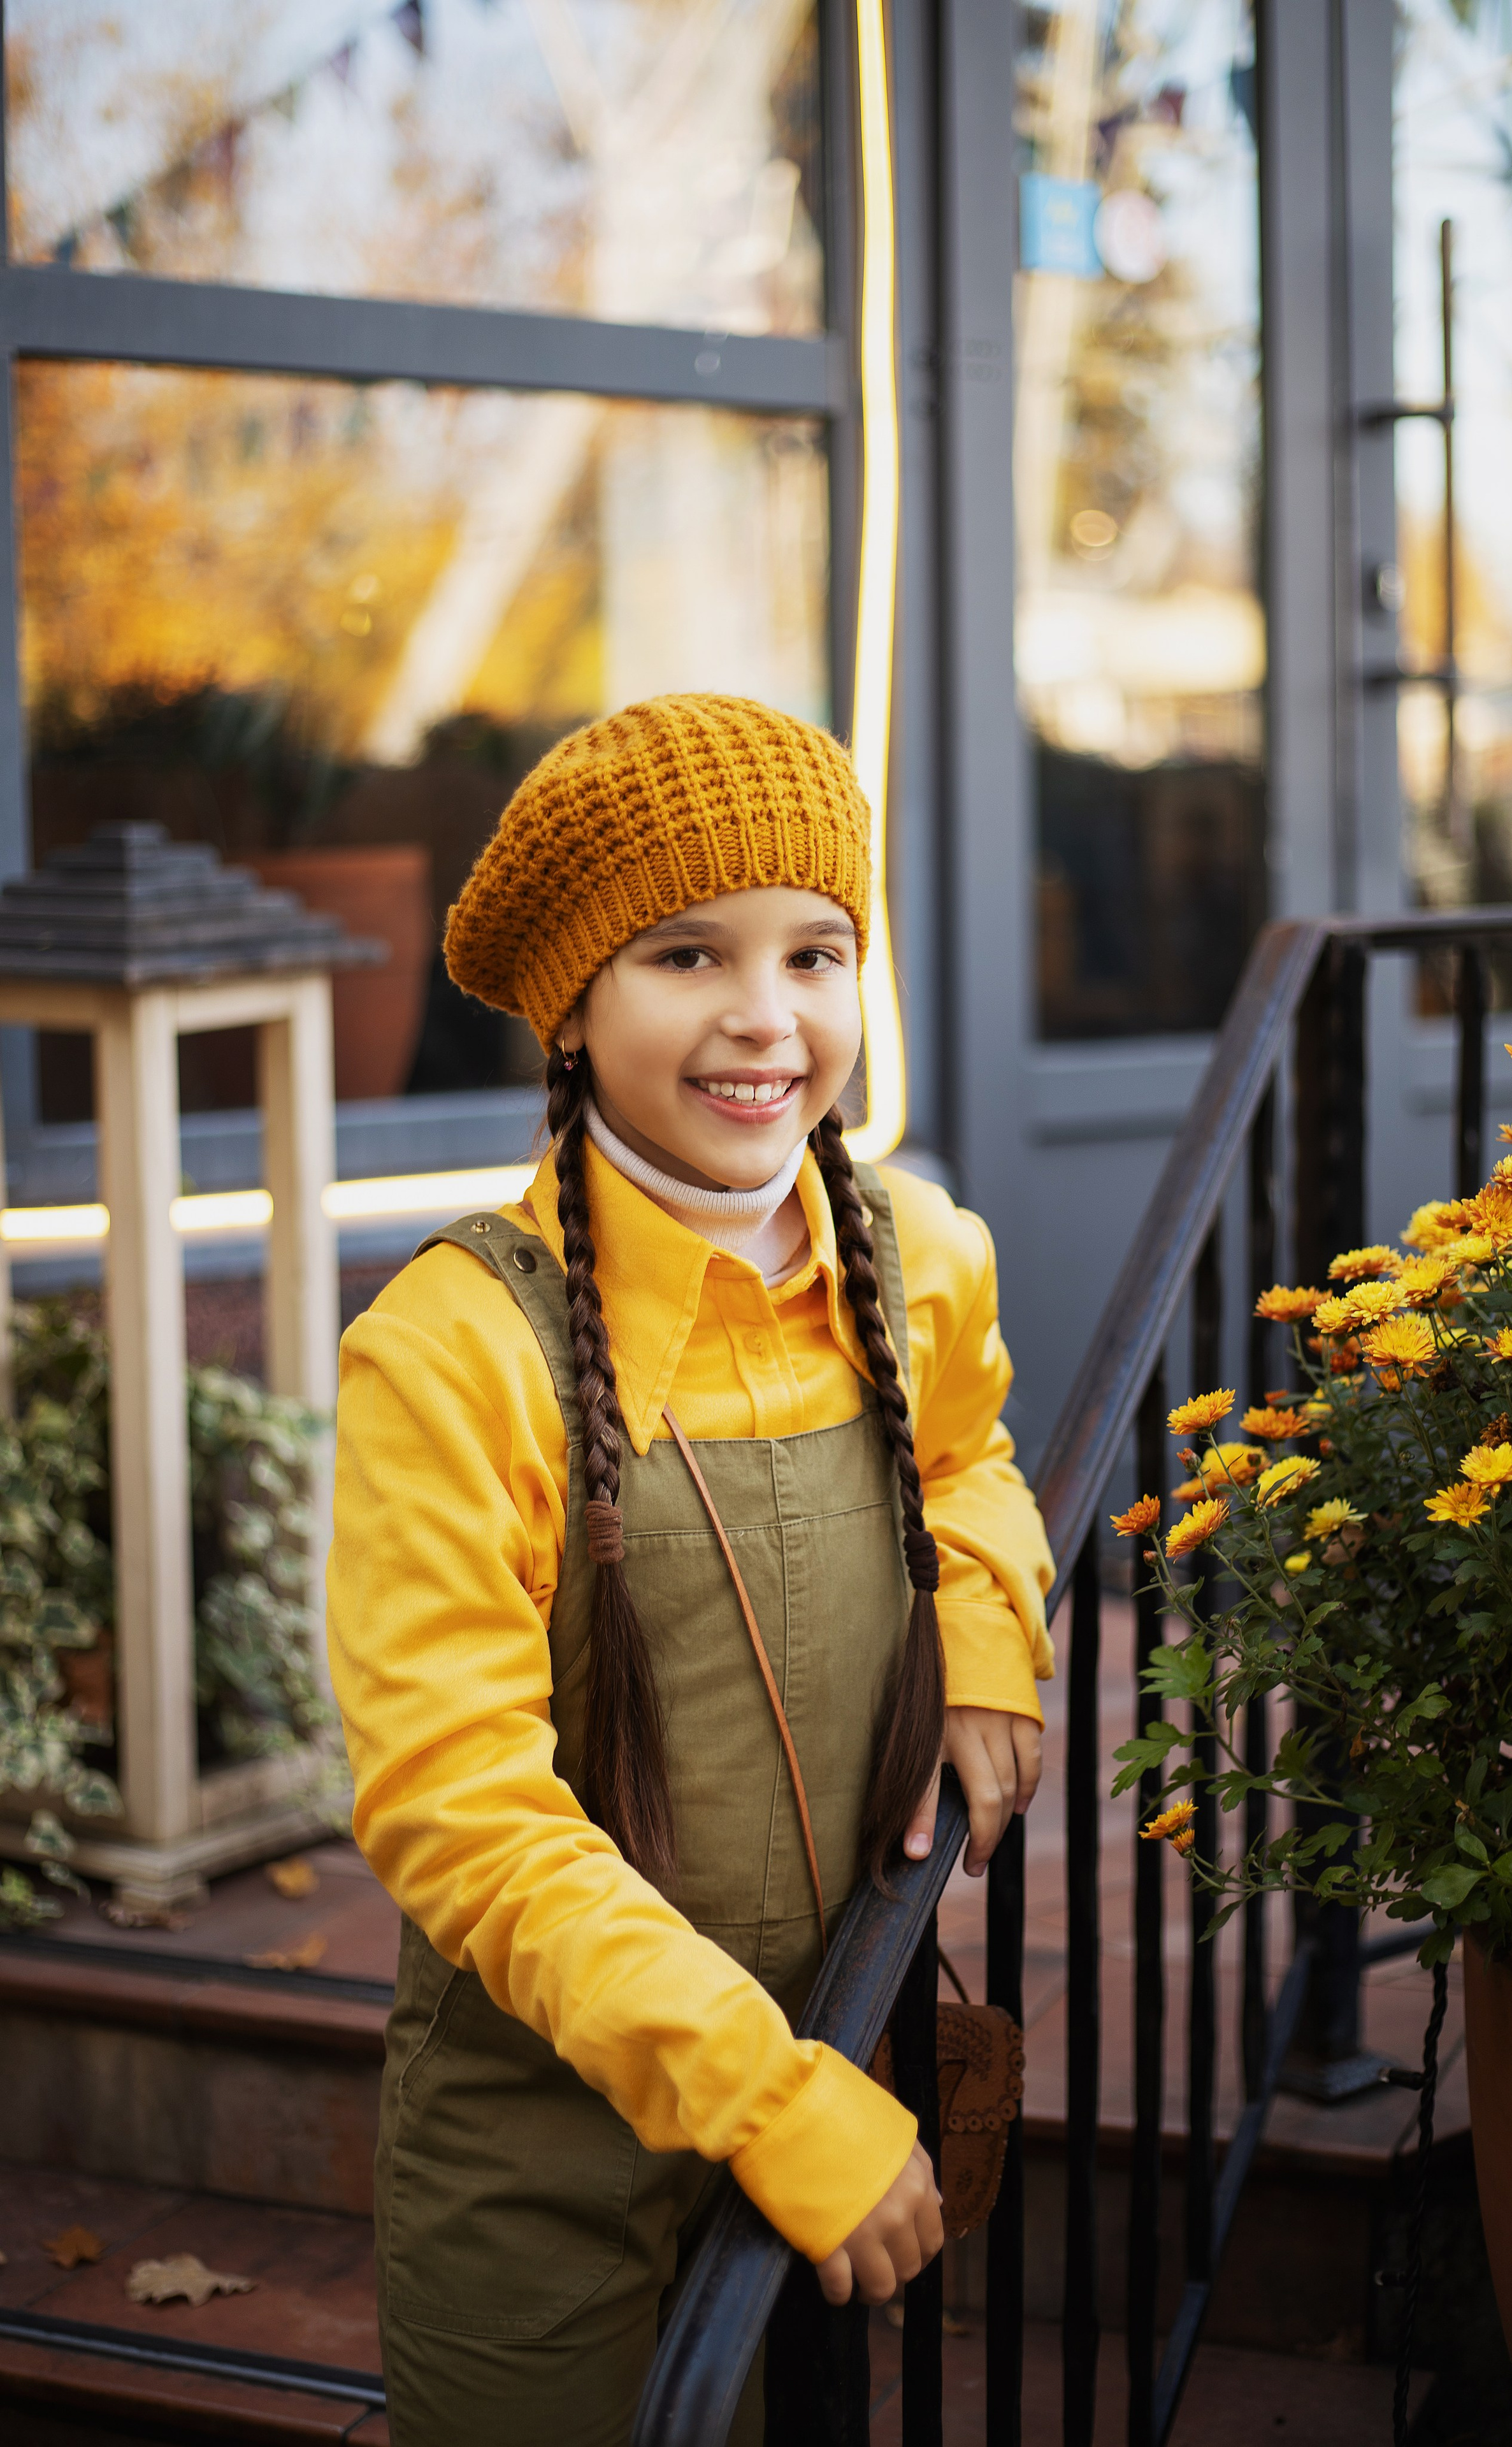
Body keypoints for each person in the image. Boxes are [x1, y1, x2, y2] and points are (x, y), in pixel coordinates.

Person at [326, 693, 1055, 2446]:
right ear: (572, 1008)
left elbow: (971, 1461)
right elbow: (458, 1809)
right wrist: (761, 2098)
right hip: (546, 2148)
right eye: (684, 955)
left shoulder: (922, 1256)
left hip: (832, 2064)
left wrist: (985, 1634)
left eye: (819, 951)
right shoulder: (452, 1348)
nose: (767, 1018)